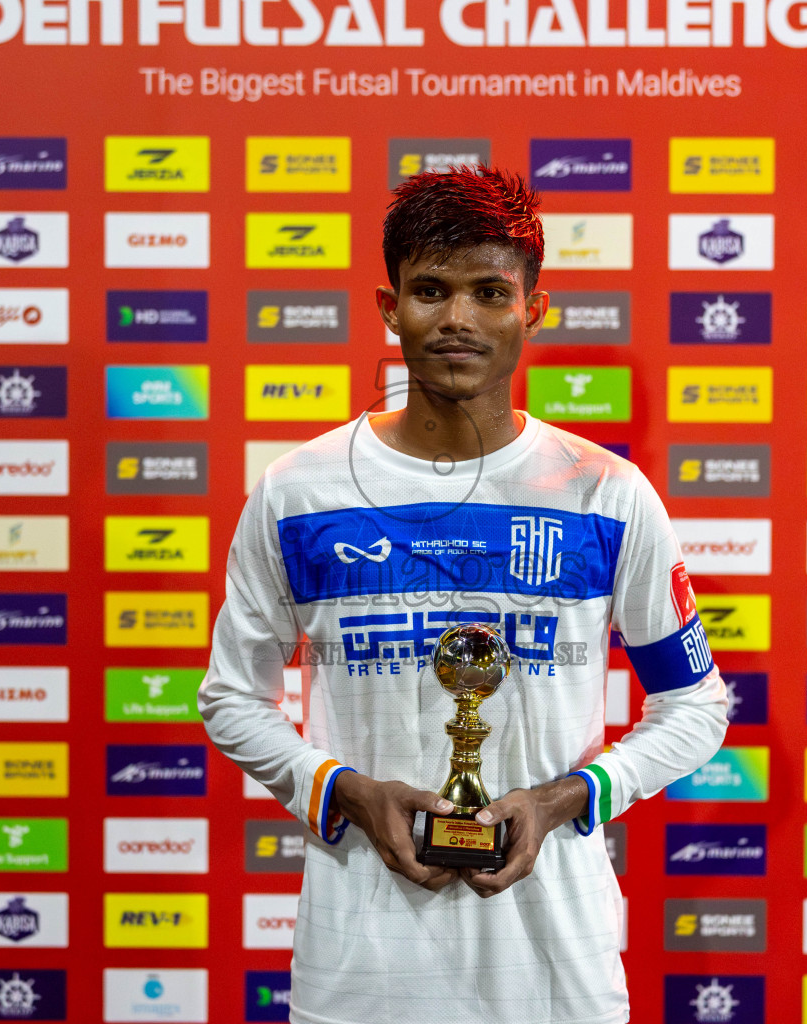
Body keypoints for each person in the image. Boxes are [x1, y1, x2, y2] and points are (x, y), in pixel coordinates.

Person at [200, 166, 729, 1024]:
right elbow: (231, 697)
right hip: (360, 977)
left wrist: (570, 799)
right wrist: (340, 789)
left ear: (534, 308)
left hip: (558, 974)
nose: (456, 320)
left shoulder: (606, 492)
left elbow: (695, 704)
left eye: (489, 292)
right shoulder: (301, 492)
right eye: (430, 291)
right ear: (387, 305)